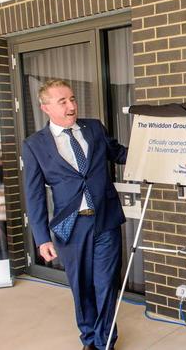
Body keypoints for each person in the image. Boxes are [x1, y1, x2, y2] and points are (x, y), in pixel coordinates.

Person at [22, 79, 128, 350]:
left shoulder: (94, 128)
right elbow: (33, 194)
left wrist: (153, 151)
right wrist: (42, 238)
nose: (71, 106)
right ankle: (89, 338)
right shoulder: (35, 145)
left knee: (105, 284)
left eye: (72, 99)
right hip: (70, 226)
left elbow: (118, 153)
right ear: (46, 108)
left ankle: (104, 343)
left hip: (105, 220)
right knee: (82, 288)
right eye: (63, 102)